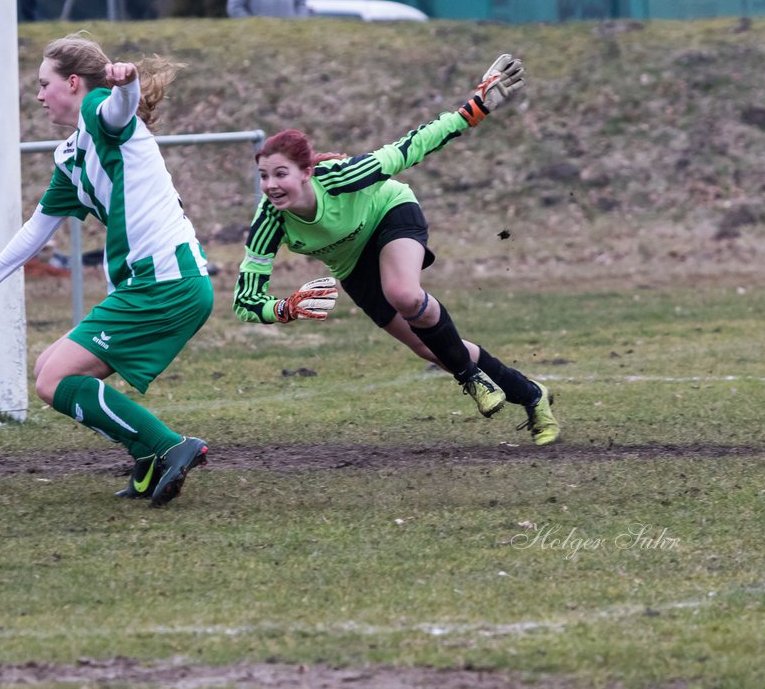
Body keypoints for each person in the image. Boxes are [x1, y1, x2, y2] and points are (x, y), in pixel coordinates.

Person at [0, 33, 213, 505]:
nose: (39, 96)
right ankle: (146, 458)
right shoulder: (72, 155)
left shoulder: (100, 109)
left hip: (165, 282)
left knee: (52, 380)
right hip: (156, 285)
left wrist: (127, 82)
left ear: (74, 83)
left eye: (44, 84)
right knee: (49, 371)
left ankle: (170, 446)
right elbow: (35, 233)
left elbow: (119, 108)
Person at [232, 55, 560, 446]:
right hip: (352, 264)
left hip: (390, 213)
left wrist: (474, 109)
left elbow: (411, 146)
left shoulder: (341, 178)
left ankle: (471, 378)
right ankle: (531, 394)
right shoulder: (270, 220)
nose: (270, 185)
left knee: (403, 293)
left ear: (305, 173)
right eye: (264, 176)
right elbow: (244, 300)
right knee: (430, 347)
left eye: (280, 174)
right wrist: (284, 309)